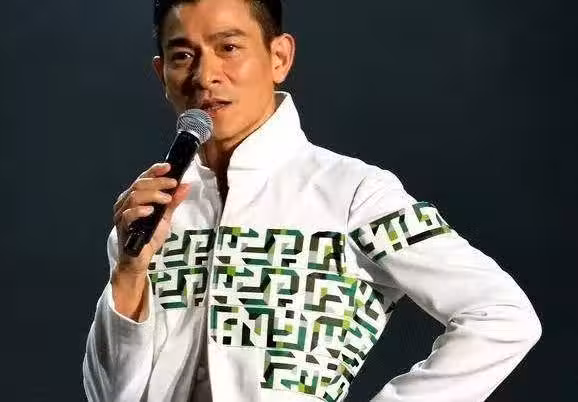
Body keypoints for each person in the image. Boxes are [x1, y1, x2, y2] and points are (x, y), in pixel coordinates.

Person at [82, 0, 541, 401]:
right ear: (162, 74)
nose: (205, 76)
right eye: (183, 55)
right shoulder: (150, 211)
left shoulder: (353, 193)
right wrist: (129, 272)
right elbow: (109, 394)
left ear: (279, 57)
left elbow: (501, 316)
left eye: (229, 47)